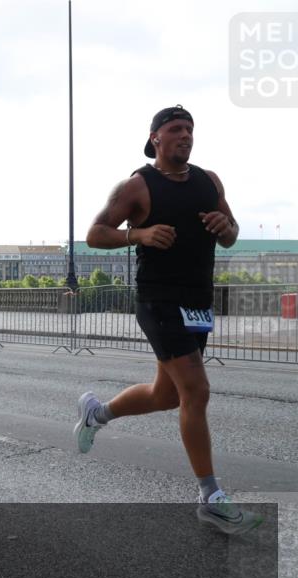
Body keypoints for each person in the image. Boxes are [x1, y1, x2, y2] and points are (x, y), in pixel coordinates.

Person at [75, 104, 261, 534]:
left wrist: (223, 225)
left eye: (190, 129)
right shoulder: (138, 186)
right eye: (176, 129)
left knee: (170, 395)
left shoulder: (208, 181)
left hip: (197, 300)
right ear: (155, 137)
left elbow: (232, 235)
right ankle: (211, 496)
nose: (185, 136)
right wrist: (137, 234)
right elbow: (94, 233)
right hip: (158, 299)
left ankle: (97, 414)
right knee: (196, 389)